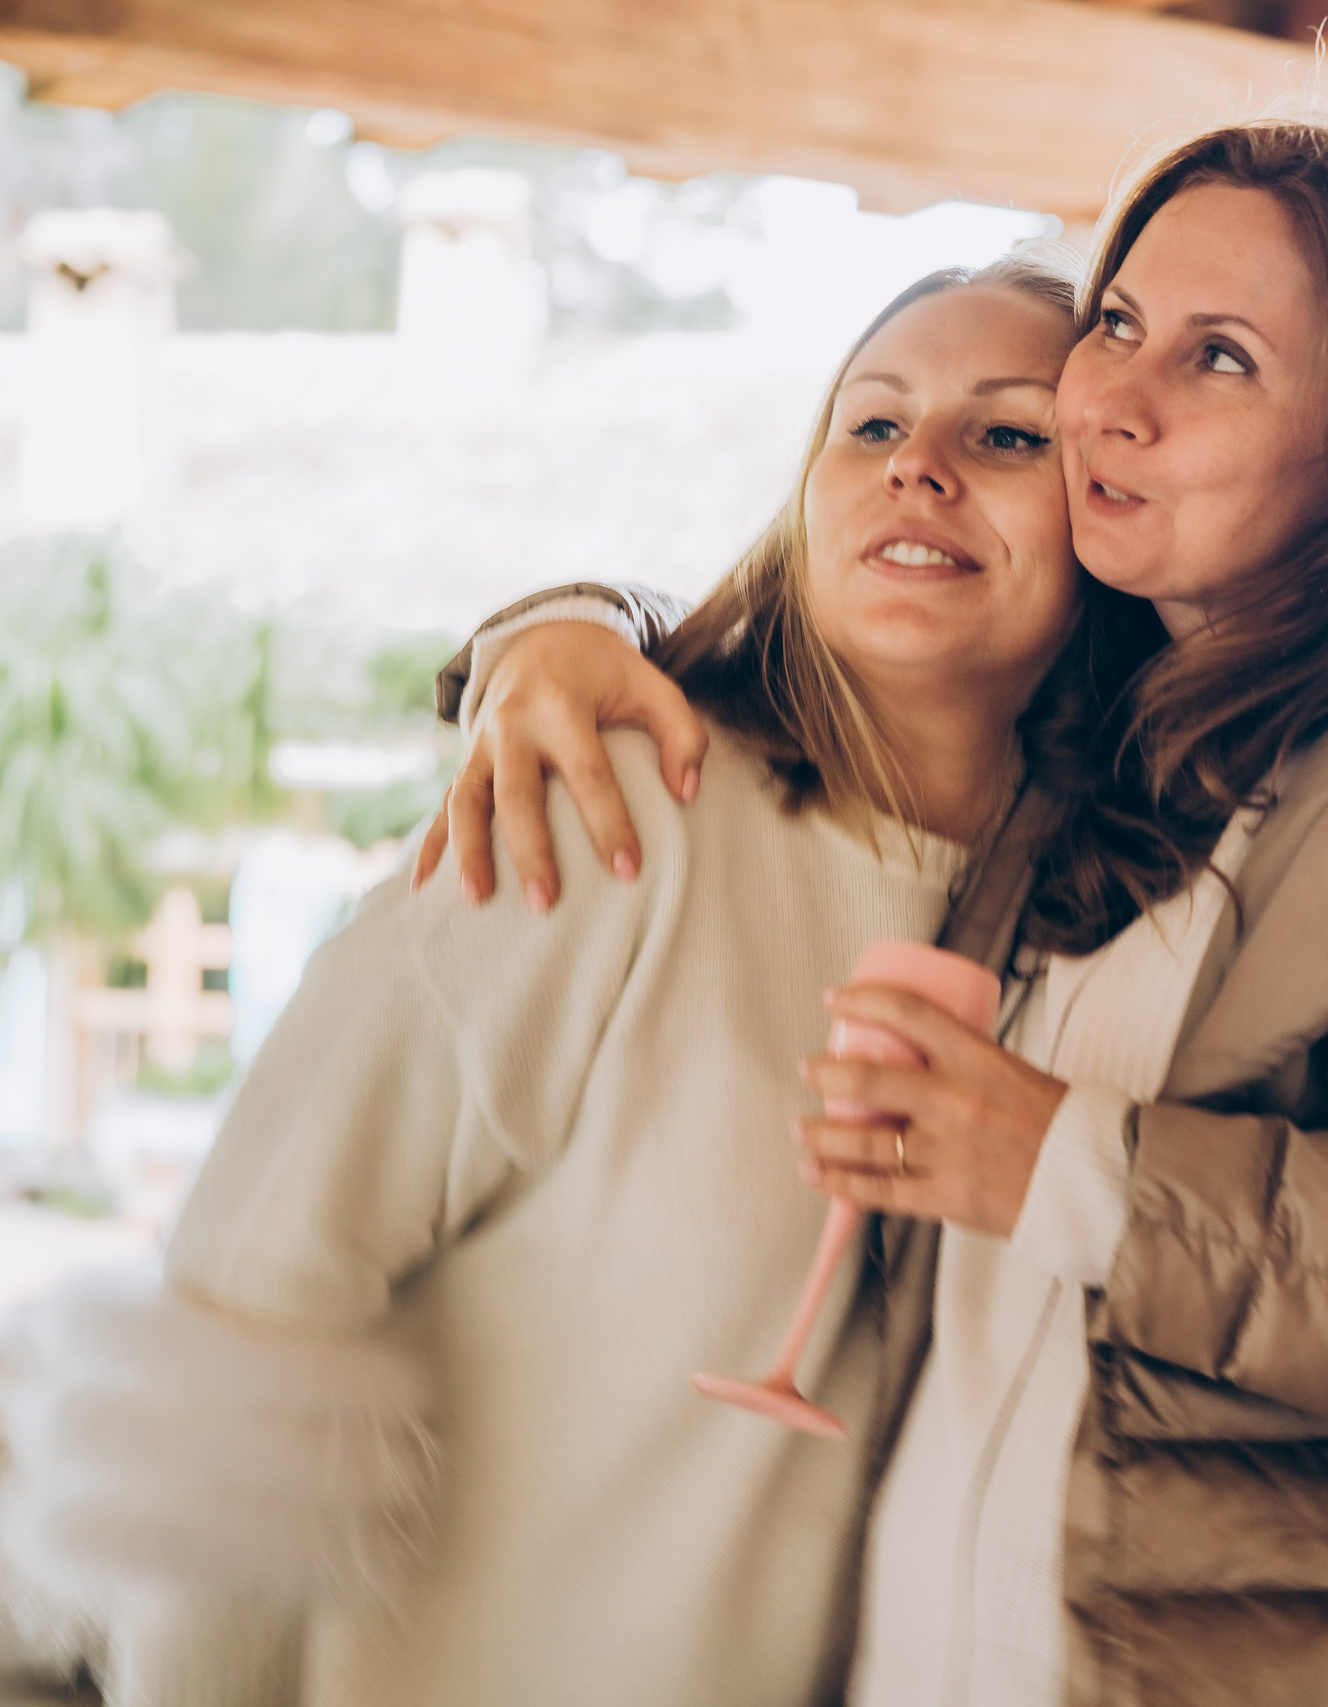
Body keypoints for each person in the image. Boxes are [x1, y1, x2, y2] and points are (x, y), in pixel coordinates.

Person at [417, 109, 1328, 1706]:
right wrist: (574, 628)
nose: (1109, 403)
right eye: (1118, 324)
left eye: (1218, 360)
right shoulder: (1097, 708)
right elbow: (858, 588)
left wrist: (1080, 1172)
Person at [0, 254, 1116, 1707]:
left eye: (1008, 432)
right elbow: (257, 1276)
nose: (919, 467)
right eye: (871, 421)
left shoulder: (1103, 939)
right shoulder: (601, 811)